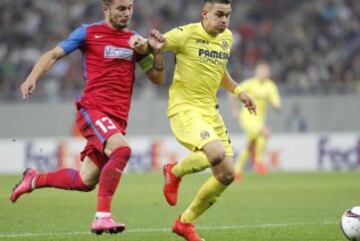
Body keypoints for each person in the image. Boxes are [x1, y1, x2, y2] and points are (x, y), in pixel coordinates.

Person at [10, 0, 165, 235]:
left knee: (85, 181)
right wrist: (32, 77)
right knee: (122, 151)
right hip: (93, 110)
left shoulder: (135, 41)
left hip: (118, 119)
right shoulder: (88, 32)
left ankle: (34, 179)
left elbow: (157, 78)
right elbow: (53, 54)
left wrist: (157, 52)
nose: (127, 13)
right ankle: (102, 217)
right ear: (106, 9)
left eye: (130, 8)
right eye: (121, 9)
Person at [130, 0, 256, 240]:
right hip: (185, 108)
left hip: (211, 111)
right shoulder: (185, 34)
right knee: (216, 154)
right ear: (204, 14)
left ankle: (185, 223)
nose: (224, 20)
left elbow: (219, 72)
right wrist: (144, 44)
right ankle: (174, 172)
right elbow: (150, 47)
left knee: (227, 174)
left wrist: (240, 92)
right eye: (219, 14)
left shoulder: (227, 38)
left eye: (227, 15)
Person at [229, 62, 282, 182]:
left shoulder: (270, 86)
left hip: (259, 119)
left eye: (265, 71)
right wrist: (235, 110)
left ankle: (236, 171)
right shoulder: (249, 83)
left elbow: (276, 102)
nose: (263, 73)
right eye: (261, 71)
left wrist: (276, 106)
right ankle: (258, 161)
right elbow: (232, 93)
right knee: (265, 133)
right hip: (247, 117)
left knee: (250, 145)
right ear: (256, 72)